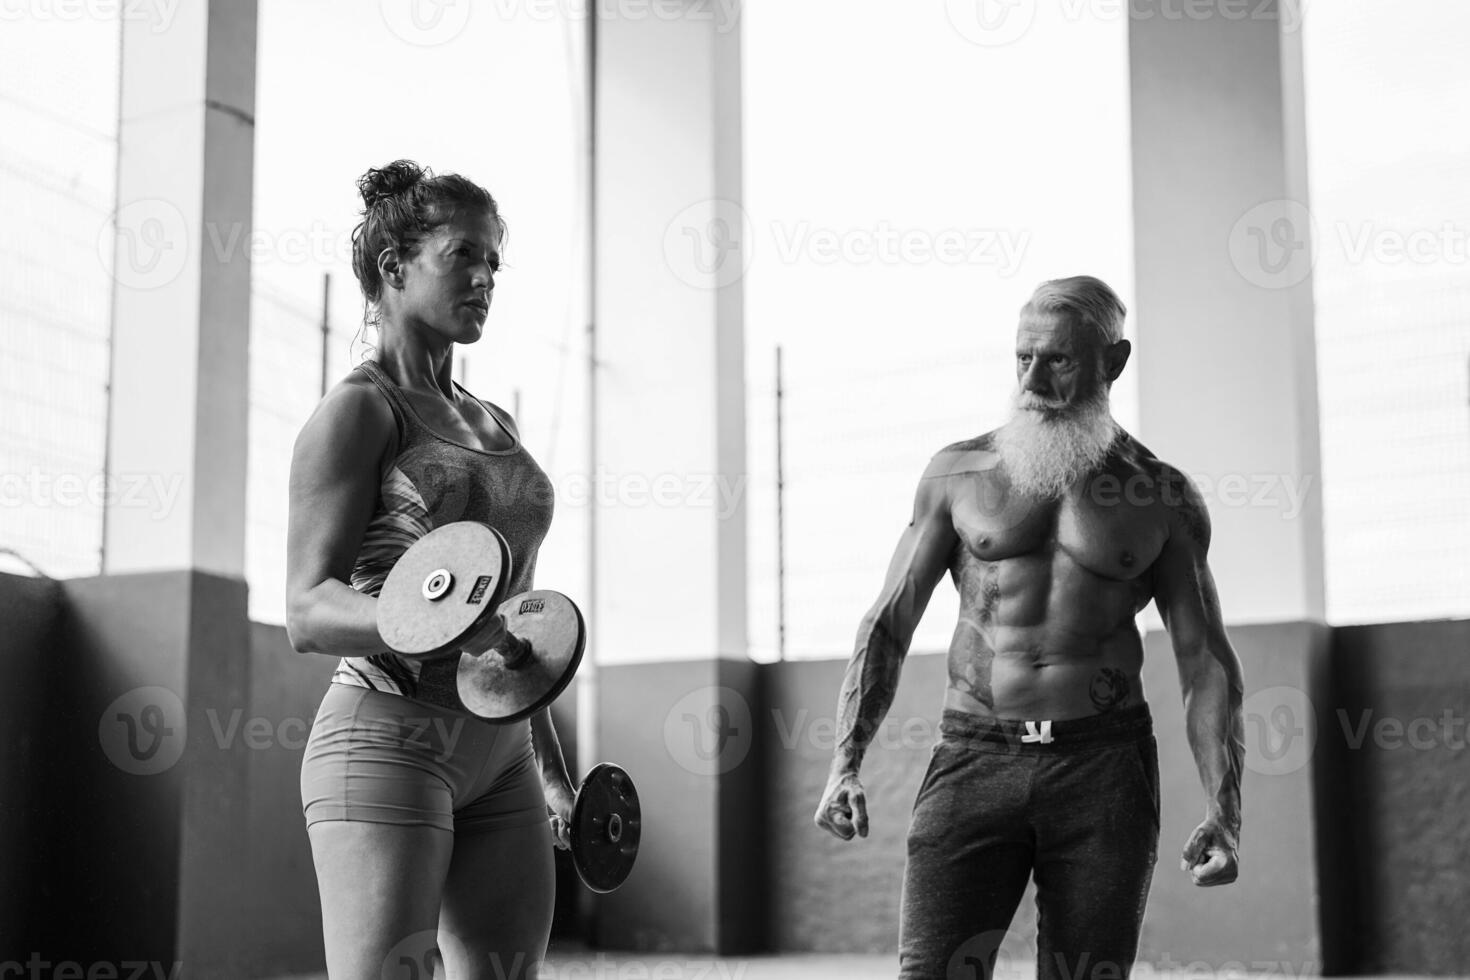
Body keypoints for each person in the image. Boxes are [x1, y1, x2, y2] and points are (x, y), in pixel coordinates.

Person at [813, 276, 1245, 980]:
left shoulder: (1160, 495)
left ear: (1114, 361)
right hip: (973, 756)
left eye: (1059, 361)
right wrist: (844, 762)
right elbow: (888, 621)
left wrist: (1225, 813)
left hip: (1103, 768)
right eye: (1023, 359)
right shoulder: (959, 472)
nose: (1034, 380)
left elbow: (1205, 664)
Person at [287, 160, 574, 979]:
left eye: (494, 262)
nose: (486, 277)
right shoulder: (359, 411)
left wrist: (555, 775)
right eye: (464, 255)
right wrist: (430, 620)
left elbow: (515, 616)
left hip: (504, 752)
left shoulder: (496, 423)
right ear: (394, 266)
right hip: (387, 737)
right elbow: (307, 609)